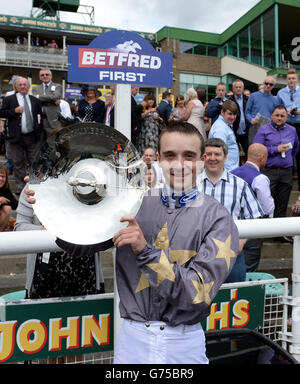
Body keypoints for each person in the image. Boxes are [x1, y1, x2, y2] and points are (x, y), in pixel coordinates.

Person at [25, 122, 239, 364]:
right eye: (170, 155)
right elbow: (80, 246)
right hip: (131, 342)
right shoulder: (132, 202)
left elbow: (197, 294)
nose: (179, 165)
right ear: (158, 159)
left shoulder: (219, 218)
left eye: (189, 156)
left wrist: (145, 251)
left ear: (201, 160)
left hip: (184, 344)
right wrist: (53, 203)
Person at [198, 137, 264, 283]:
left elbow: (254, 217)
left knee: (233, 299)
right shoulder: (192, 185)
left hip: (232, 255)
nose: (212, 158)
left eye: (217, 154)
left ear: (225, 157)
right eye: (208, 154)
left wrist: (240, 244)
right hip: (198, 255)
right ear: (203, 157)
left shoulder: (240, 185)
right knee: (199, 301)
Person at [253, 105, 299, 228]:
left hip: (286, 172)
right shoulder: (263, 130)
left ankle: (279, 233)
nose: (279, 118)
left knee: (282, 204)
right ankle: (263, 232)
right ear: (272, 116)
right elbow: (256, 149)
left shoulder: (292, 130)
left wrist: (288, 160)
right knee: (265, 204)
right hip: (269, 172)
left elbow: (295, 149)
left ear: (286, 117)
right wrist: (275, 149)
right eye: (277, 115)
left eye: (282, 116)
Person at [231, 143, 275, 272]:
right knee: (249, 269)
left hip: (231, 226)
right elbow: (267, 208)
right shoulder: (260, 178)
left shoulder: (231, 173)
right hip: (251, 229)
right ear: (262, 157)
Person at [0, 77, 43, 194]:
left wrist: (39, 132)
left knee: (35, 162)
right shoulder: (9, 99)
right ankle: (21, 189)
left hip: (32, 137)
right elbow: (2, 113)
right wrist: (14, 111)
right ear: (16, 87)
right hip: (16, 137)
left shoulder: (35, 101)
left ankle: (35, 187)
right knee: (18, 163)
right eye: (20, 85)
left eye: (25, 84)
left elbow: (40, 118)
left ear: (29, 86)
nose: (23, 86)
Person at [277, 69, 300, 190]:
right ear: (287, 80)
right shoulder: (281, 92)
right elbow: (278, 108)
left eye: (293, 78)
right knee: (286, 150)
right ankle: (288, 178)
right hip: (286, 125)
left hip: (299, 123)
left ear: (297, 79)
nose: (291, 81)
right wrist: (286, 112)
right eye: (289, 79)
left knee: (299, 150)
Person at [245, 76, 279, 144]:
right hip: (254, 127)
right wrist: (251, 120)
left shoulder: (275, 100)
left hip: (268, 129)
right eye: (266, 83)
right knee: (254, 150)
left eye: (271, 84)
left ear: (273, 86)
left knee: (267, 150)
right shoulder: (253, 96)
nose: (268, 85)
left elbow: (275, 116)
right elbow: (247, 112)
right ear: (263, 83)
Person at [208, 100, 240, 171]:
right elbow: (219, 152)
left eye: (234, 114)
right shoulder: (220, 128)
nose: (232, 117)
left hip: (230, 169)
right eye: (230, 114)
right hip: (227, 171)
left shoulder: (225, 124)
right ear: (222, 112)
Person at [32, 68, 62, 136]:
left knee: (54, 141)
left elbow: (55, 97)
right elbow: (35, 101)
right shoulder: (35, 88)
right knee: (40, 142)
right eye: (42, 75)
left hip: (53, 119)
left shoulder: (57, 86)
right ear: (40, 77)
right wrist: (51, 100)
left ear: (51, 76)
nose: (44, 76)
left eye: (47, 74)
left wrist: (38, 96)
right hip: (39, 119)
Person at [228, 79, 250, 156]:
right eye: (236, 87)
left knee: (249, 152)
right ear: (233, 89)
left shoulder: (248, 100)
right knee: (235, 154)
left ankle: (248, 168)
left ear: (243, 89)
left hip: (246, 132)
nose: (238, 89)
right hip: (234, 131)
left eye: (240, 87)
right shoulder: (229, 101)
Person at [0, 164, 17, 231]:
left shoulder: (5, 188)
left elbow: (15, 203)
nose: (0, 179)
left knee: (7, 208)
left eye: (3, 176)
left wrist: (3, 201)